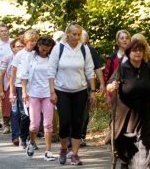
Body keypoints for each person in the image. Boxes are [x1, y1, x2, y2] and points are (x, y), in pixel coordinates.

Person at [47, 23, 96, 165]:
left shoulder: (84, 49)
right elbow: (51, 71)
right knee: (65, 123)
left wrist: (92, 91)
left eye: (79, 34)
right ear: (67, 34)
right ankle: (63, 148)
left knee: (77, 123)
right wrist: (52, 92)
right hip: (62, 91)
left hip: (80, 91)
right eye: (74, 34)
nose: (76, 37)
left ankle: (74, 154)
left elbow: (89, 70)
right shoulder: (59, 48)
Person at [106, 40, 150, 168]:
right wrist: (113, 86)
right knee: (126, 141)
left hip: (147, 110)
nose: (138, 53)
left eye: (140, 50)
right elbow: (109, 86)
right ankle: (125, 161)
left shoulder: (147, 67)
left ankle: (142, 165)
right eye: (135, 50)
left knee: (145, 142)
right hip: (126, 113)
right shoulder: (122, 69)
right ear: (129, 53)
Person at [21, 36, 56, 160]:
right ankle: (31, 142)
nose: (44, 52)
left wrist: (54, 93)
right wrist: (24, 92)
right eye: (42, 49)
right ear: (38, 47)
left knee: (48, 124)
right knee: (34, 125)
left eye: (46, 50)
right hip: (34, 94)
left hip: (48, 94)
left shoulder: (52, 58)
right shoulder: (31, 57)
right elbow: (23, 76)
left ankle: (48, 151)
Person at [9, 30, 39, 149]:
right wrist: (11, 92)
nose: (33, 43)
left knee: (35, 115)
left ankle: (31, 139)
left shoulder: (37, 54)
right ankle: (23, 137)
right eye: (30, 41)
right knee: (24, 113)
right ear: (25, 41)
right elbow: (13, 74)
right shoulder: (20, 55)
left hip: (35, 86)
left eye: (35, 41)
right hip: (20, 86)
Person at [80, 30, 105, 147]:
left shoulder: (91, 50)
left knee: (84, 111)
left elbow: (98, 68)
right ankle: (71, 136)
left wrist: (102, 84)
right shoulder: (66, 50)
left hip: (87, 86)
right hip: (70, 86)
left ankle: (81, 136)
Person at [0, 37, 24, 138]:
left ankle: (22, 131)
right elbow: (1, 75)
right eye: (18, 47)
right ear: (13, 48)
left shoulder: (28, 57)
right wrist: (1, 90)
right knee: (11, 109)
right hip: (9, 86)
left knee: (22, 111)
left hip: (23, 86)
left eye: (22, 46)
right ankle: (9, 127)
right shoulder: (7, 58)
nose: (20, 48)